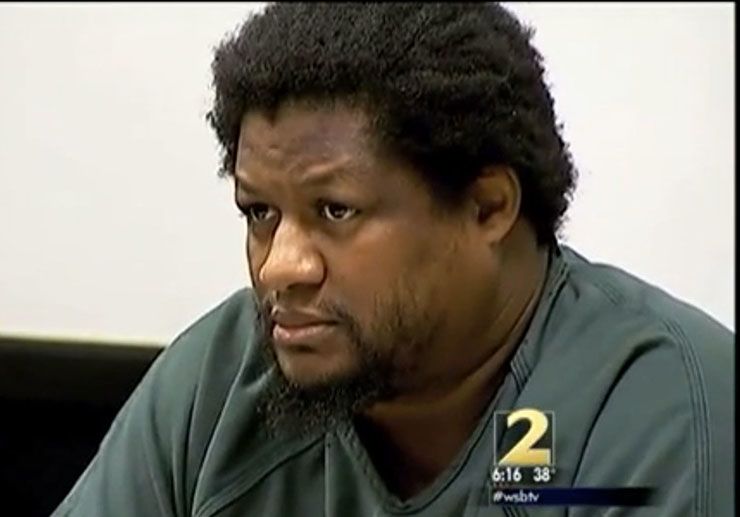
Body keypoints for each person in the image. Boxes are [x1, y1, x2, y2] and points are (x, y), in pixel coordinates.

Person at [52, 3, 733, 516]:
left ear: (488, 207)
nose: (279, 267)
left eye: (335, 211)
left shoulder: (664, 413)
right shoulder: (223, 377)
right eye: (260, 213)